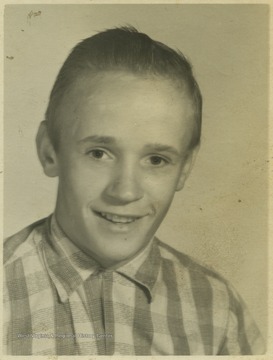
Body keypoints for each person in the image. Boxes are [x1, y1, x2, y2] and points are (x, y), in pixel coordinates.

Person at [3, 26, 265, 355]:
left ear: (184, 168)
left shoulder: (217, 307)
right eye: (99, 153)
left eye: (156, 160)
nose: (125, 191)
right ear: (48, 150)